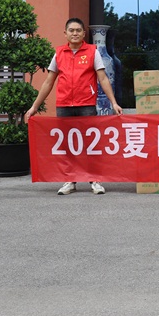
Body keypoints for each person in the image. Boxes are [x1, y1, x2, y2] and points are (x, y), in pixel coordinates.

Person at [26, 18, 123, 195]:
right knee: (67, 144)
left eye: (78, 30)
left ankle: (95, 180)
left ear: (84, 34)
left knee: (90, 144)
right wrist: (34, 107)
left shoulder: (93, 52)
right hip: (64, 105)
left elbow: (103, 78)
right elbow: (48, 82)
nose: (75, 33)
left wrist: (113, 102)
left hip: (86, 104)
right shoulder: (59, 54)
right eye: (71, 30)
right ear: (65, 33)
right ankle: (70, 180)